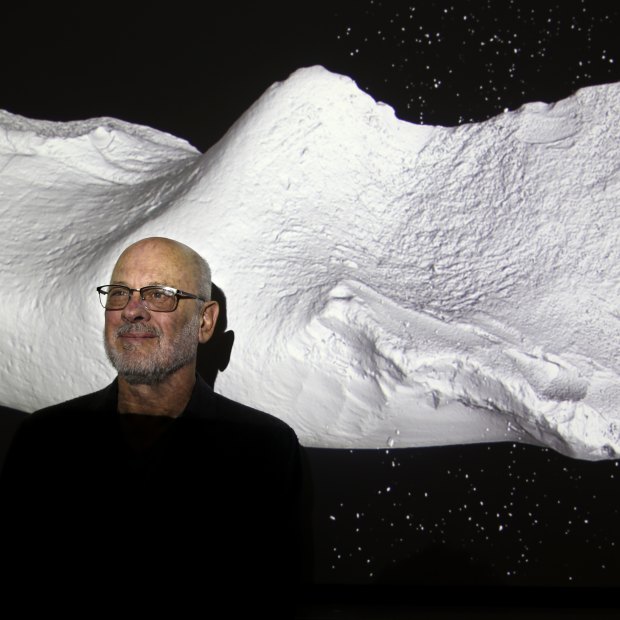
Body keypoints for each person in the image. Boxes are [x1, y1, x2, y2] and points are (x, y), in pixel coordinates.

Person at [1, 237, 310, 615]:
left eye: (159, 295)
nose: (132, 310)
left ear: (205, 321)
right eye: (119, 293)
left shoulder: (265, 450)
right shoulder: (44, 442)